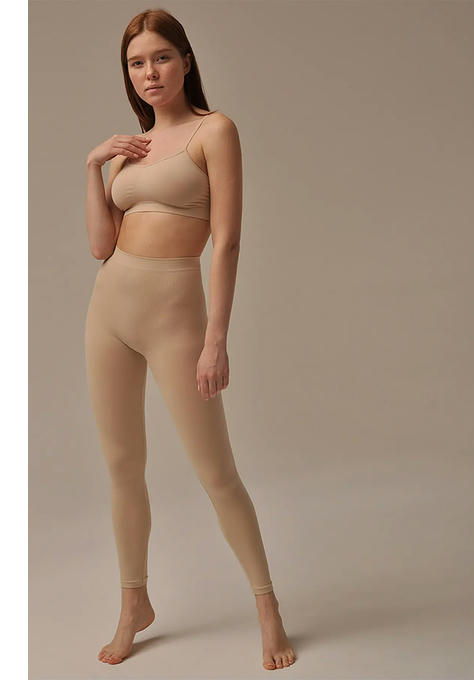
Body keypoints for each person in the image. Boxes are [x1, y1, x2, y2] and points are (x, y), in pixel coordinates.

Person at [84, 8, 296, 671]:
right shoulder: (134, 147)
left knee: (216, 472)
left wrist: (215, 339)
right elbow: (100, 245)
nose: (149, 72)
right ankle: (134, 604)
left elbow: (227, 241)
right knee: (122, 466)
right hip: (108, 314)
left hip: (176, 319)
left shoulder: (215, 131)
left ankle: (267, 606)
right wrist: (93, 167)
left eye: (161, 57)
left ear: (185, 61)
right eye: (136, 63)